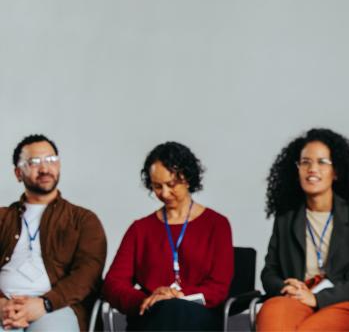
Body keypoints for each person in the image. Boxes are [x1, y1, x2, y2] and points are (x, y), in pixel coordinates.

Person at [255, 128, 349, 331]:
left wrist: (317, 298)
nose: (312, 169)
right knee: (273, 322)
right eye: (305, 162)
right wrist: (288, 288)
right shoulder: (286, 218)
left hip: (341, 302)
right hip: (295, 299)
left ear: (336, 172)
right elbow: (269, 271)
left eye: (322, 162)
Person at [102, 142, 233, 331]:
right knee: (164, 311)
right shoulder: (140, 229)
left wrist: (176, 296)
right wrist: (148, 300)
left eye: (171, 185)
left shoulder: (217, 224)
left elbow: (218, 287)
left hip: (197, 315)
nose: (164, 193)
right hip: (150, 313)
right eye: (156, 186)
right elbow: (113, 283)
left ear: (187, 178)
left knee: (173, 310)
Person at [0, 135, 107, 331]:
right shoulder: (2, 218)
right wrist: (1, 304)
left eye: (50, 160)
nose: (44, 168)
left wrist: (45, 303)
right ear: (18, 173)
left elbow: (88, 273)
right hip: (4, 307)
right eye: (34, 162)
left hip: (56, 307)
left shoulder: (82, 219)